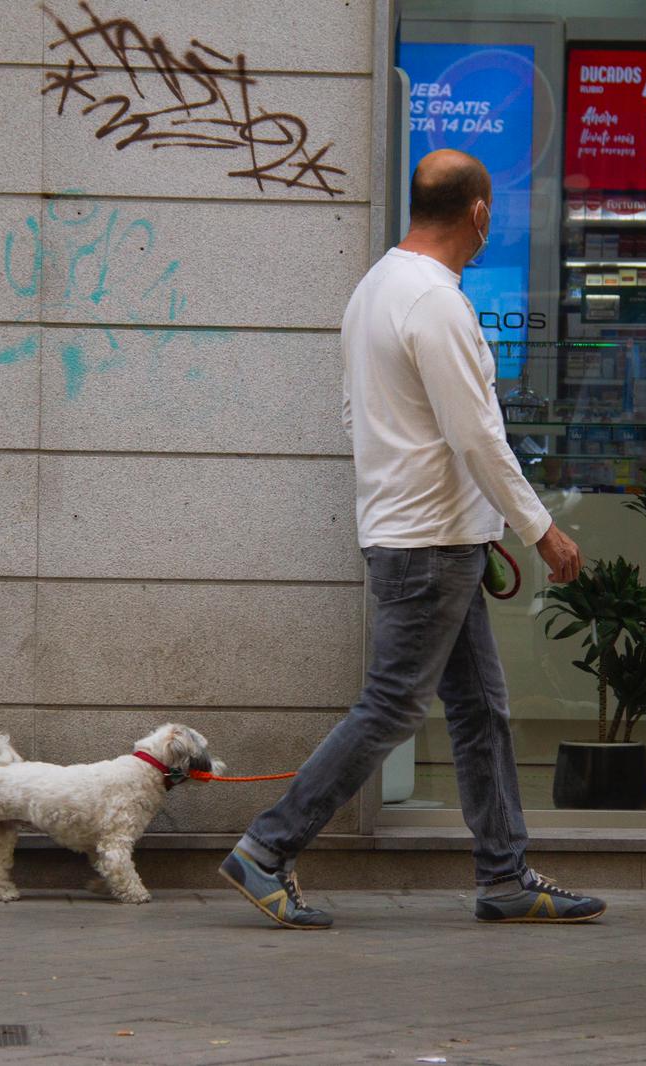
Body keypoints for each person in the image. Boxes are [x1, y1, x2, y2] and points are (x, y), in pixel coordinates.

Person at [219, 149, 599, 929]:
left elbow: (368, 418)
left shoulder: (376, 289)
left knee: (478, 709)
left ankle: (503, 876)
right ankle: (267, 847)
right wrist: (541, 531)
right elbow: (477, 437)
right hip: (429, 544)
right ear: (480, 214)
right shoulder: (435, 303)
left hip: (425, 535)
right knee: (393, 707)